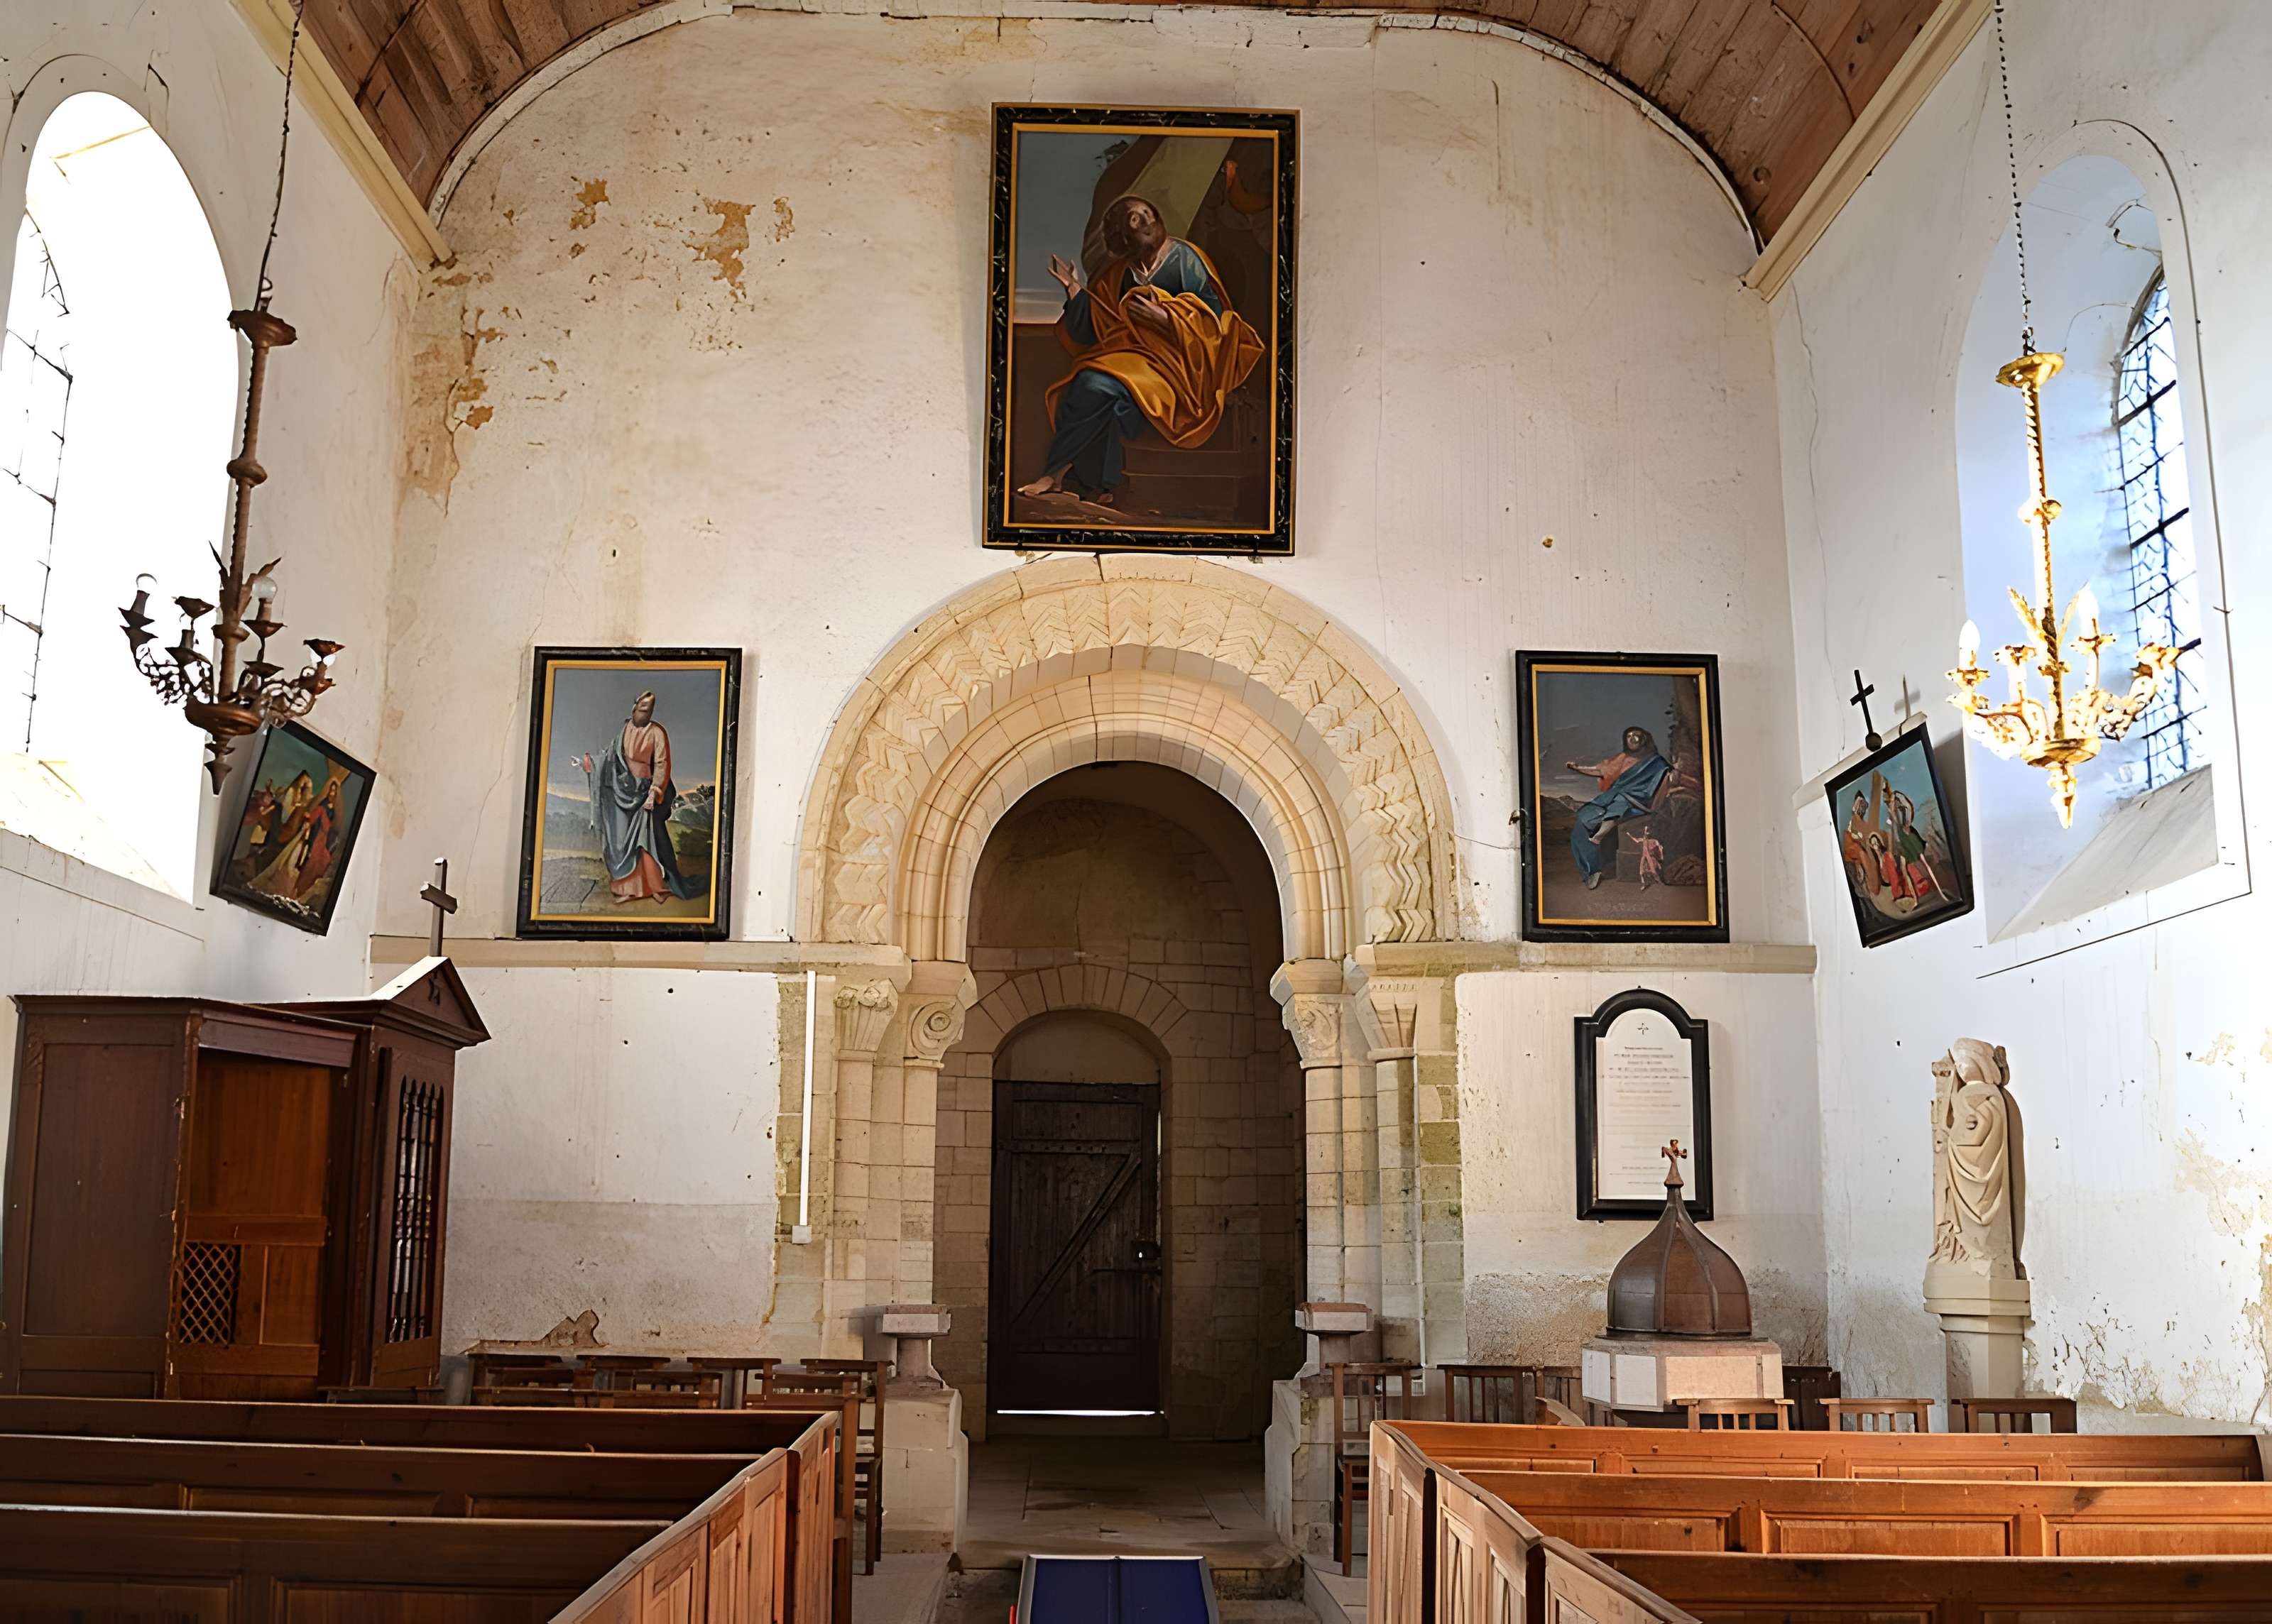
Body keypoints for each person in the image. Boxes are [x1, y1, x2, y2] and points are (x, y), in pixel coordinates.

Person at [1015, 195, 1265, 505]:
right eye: (1136, 219)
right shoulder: (1119, 273)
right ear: (1123, 236)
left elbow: (1216, 322)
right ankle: (1094, 484)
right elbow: (1095, 326)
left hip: (1181, 366)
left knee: (1094, 383)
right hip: (1133, 359)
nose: (1148, 221)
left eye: (1149, 214)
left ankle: (1057, 474)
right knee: (1097, 388)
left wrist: (1168, 319)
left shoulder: (1186, 260)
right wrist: (1075, 291)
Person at [581, 690, 699, 905]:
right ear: (635, 707)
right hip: (621, 791)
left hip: (644, 792)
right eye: (642, 707)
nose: (645, 712)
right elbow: (609, 756)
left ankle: (655, 886)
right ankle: (629, 889)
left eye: (649, 709)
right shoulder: (625, 729)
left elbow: (662, 763)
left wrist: (654, 792)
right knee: (620, 843)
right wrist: (590, 763)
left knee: (644, 841)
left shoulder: (657, 732)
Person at [1565, 725, 1672, 889]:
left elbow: (1663, 783)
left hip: (1638, 802)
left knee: (1621, 802)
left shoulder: (1656, 762)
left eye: (1637, 735)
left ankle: (1600, 836)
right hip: (1611, 798)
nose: (1633, 739)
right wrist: (1577, 768)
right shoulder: (1621, 759)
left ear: (1644, 739)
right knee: (1583, 820)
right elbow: (1601, 771)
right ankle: (1591, 871)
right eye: (1629, 736)